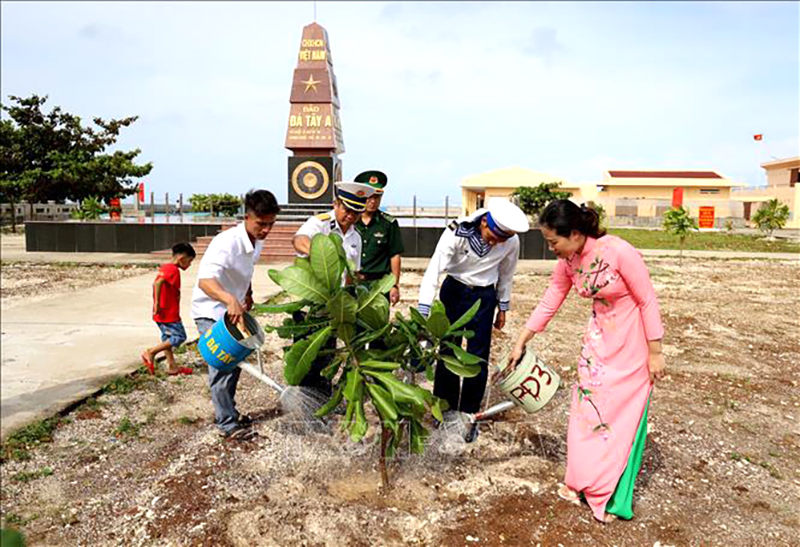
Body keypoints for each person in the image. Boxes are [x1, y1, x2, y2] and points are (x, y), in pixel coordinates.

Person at [507, 199, 666, 523]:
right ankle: (578, 482)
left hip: (631, 341)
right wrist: (523, 338)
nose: (551, 248)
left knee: (619, 417)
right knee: (586, 411)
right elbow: (552, 297)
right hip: (598, 341)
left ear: (576, 233)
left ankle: (605, 493)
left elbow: (647, 299)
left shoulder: (619, 251)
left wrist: (655, 351)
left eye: (554, 241)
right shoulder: (568, 263)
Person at [418, 197, 529, 441]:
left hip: (484, 297)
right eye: (493, 237)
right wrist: (424, 310)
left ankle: (469, 414)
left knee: (478, 357)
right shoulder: (457, 232)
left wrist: (503, 307)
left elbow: (506, 273)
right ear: (484, 224)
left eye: (502, 240)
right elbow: (433, 271)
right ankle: (444, 411)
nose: (496, 244)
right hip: (454, 292)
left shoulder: (511, 241)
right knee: (447, 351)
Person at [191, 189, 281, 441]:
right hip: (211, 310)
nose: (265, 230)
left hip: (234, 311)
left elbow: (246, 271)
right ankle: (227, 424)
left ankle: (228, 411)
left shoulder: (257, 241)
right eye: (261, 224)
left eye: (270, 224)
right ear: (246, 217)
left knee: (237, 361)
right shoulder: (226, 242)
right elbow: (205, 281)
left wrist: (247, 293)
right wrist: (230, 299)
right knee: (222, 366)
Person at [291, 181, 376, 393]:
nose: (351, 215)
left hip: (334, 308)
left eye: (357, 212)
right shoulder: (320, 223)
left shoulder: (356, 237)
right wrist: (323, 258)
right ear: (336, 204)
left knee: (327, 357)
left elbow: (351, 275)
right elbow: (298, 240)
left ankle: (321, 399)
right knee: (307, 355)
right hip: (312, 304)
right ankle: (303, 401)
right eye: (347, 209)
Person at [141, 242, 196, 376]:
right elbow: (157, 283)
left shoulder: (166, 267)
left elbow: (159, 282)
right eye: (189, 262)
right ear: (181, 258)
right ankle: (151, 352)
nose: (189, 265)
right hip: (168, 314)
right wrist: (158, 304)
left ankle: (172, 366)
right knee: (179, 336)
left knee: (167, 339)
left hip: (164, 313)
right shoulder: (173, 269)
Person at [353, 170, 404, 306]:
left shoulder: (388, 223)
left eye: (377, 197)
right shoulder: (350, 221)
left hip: (380, 285)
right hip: (354, 283)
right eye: (369, 196)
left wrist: (395, 286)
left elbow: (395, 256)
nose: (373, 201)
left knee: (378, 323)